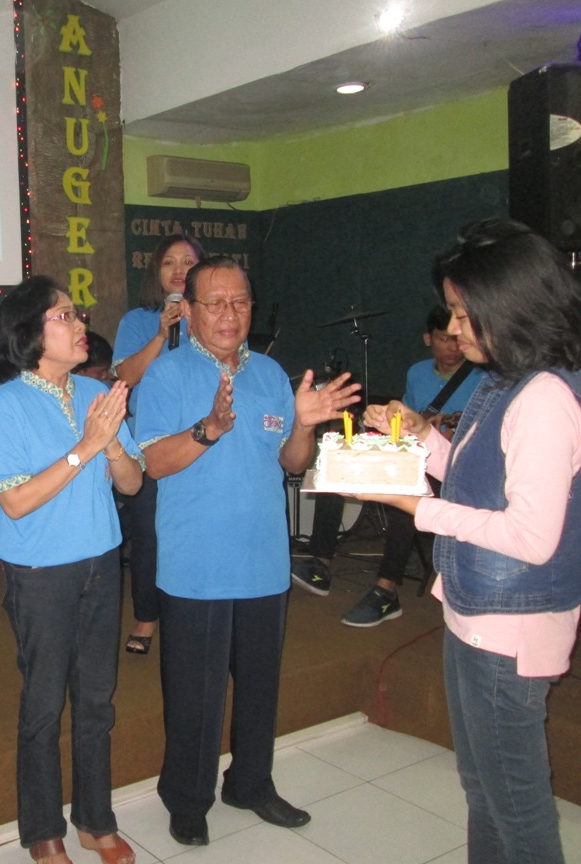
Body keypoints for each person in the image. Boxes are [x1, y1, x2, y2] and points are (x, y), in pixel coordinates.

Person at [361, 219, 581, 864]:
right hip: (481, 612)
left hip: (510, 626)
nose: (454, 328)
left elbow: (530, 535)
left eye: (465, 313)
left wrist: (419, 508)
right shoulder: (511, 377)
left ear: (511, 307)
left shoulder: (544, 397)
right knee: (484, 788)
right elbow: (482, 477)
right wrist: (423, 436)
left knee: (516, 807)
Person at [134, 256, 360, 846]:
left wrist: (304, 424)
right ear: (188, 311)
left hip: (263, 561)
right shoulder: (166, 375)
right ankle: (188, 798)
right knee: (195, 696)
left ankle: (251, 783)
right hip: (196, 566)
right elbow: (152, 462)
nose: (229, 314)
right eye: (215, 303)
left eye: (240, 302)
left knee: (260, 687)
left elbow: (292, 462)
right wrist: (207, 428)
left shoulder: (270, 373)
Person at [0, 276, 144, 864]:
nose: (80, 325)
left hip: (101, 561)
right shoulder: (5, 404)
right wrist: (86, 446)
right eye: (65, 316)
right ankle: (43, 829)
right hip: (40, 572)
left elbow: (132, 483)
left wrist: (112, 443)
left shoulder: (95, 392)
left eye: (77, 315)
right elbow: (15, 501)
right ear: (29, 332)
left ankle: (96, 819)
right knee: (45, 703)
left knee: (97, 699)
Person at [291, 305, 484, 626]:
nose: (452, 346)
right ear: (428, 339)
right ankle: (319, 563)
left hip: (453, 463)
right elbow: (407, 417)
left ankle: (387, 589)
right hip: (415, 451)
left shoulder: (482, 376)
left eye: (456, 338)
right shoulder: (418, 373)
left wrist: (450, 428)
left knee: (406, 498)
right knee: (339, 474)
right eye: (443, 339)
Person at [112, 233, 206, 654]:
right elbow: (126, 378)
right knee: (148, 535)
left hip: (201, 441)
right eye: (170, 262)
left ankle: (197, 606)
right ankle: (146, 616)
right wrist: (160, 334)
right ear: (157, 272)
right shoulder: (137, 320)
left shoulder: (212, 317)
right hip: (148, 444)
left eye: (188, 261)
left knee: (198, 527)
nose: (179, 269)